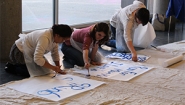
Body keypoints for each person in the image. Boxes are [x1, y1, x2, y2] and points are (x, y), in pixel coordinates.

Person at [5, 24, 73, 77]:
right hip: (19, 51)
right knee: (33, 72)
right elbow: (37, 59)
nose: (62, 42)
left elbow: (55, 54)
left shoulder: (54, 39)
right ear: (57, 35)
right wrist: (53, 68)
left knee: (45, 71)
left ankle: (20, 66)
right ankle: (12, 67)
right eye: (63, 39)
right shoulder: (44, 38)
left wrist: (58, 68)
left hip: (31, 52)